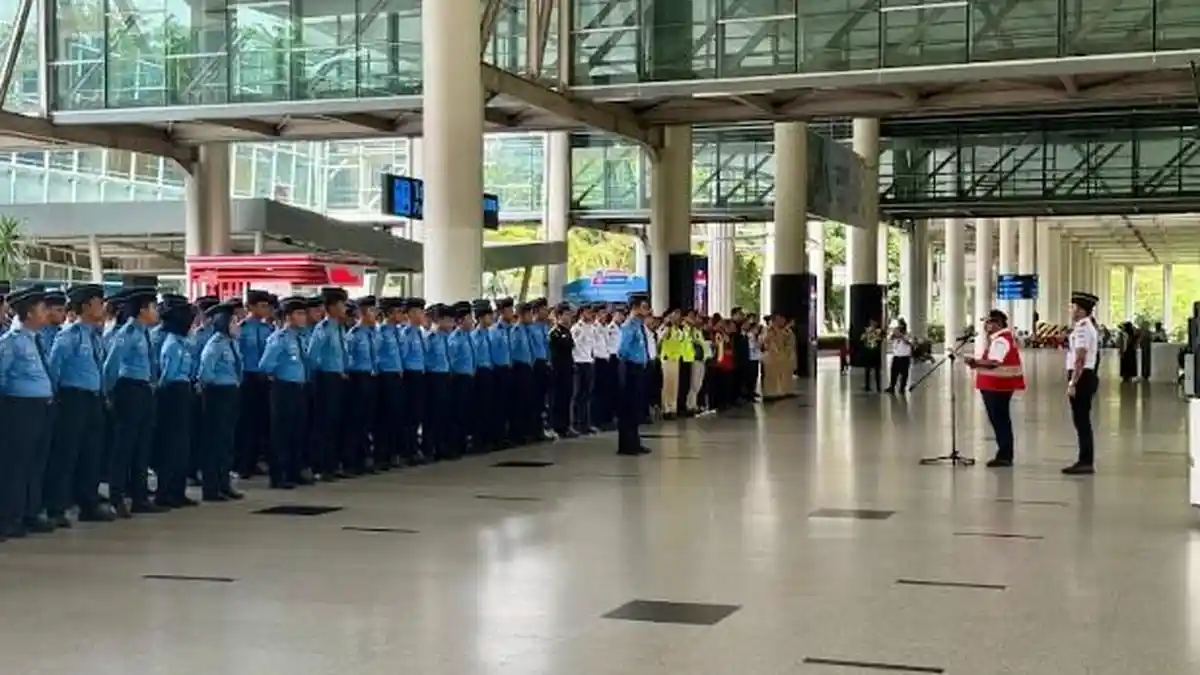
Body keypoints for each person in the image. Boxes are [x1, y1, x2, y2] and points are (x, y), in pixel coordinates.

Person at [44, 284, 114, 525]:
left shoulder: (95, 336)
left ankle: (88, 503)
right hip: (72, 399)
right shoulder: (69, 336)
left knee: (91, 453)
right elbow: (55, 368)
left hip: (93, 399)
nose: (102, 307)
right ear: (85, 306)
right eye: (98, 302)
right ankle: (57, 507)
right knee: (67, 454)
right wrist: (54, 398)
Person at [102, 287, 162, 518]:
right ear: (142, 310)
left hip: (145, 389)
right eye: (153, 307)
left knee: (142, 445)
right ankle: (117, 497)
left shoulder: (145, 332)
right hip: (129, 389)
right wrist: (109, 393)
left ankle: (140, 497)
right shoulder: (126, 334)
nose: (156, 312)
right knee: (124, 447)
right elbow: (111, 366)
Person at [0, 288, 55, 538]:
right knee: (16, 465)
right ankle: (10, 516)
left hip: (41, 407)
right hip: (19, 408)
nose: (47, 313)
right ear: (29, 312)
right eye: (42, 308)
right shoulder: (11, 342)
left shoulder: (37, 339)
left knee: (36, 463)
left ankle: (30, 512)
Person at [258, 296, 310, 489]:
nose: (303, 317)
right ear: (288, 317)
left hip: (299, 387)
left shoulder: (300, 337)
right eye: (299, 313)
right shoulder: (278, 338)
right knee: (281, 432)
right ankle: (278, 475)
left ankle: (294, 471)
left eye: (304, 313)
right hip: (284, 388)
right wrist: (276, 378)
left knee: (297, 431)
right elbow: (265, 365)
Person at [152, 298, 198, 508]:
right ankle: (166, 491)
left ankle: (178, 491)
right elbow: (167, 373)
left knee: (182, 445)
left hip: (184, 390)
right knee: (170, 445)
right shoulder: (171, 343)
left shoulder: (183, 342)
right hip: (172, 393)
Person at [965, 310, 1025, 468]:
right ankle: (1004, 453)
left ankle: (1004, 455)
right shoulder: (1003, 338)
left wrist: (975, 362)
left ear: (998, 324)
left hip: (997, 386)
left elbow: (994, 362)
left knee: (1000, 420)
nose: (986, 326)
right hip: (998, 385)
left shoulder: (1000, 341)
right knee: (1001, 420)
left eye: (989, 322)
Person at [197, 301, 244, 501]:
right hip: (217, 393)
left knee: (226, 441)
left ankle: (224, 483)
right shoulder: (215, 344)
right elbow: (205, 371)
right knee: (214, 442)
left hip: (231, 392)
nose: (237, 325)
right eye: (233, 321)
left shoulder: (230, 343)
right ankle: (211, 487)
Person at [307, 287, 349, 480]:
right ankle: (321, 466)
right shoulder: (322, 329)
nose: (344, 308)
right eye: (341, 304)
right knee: (324, 423)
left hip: (338, 378)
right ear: (330, 307)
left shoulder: (340, 328)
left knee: (336, 422)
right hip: (325, 379)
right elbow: (313, 356)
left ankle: (332, 464)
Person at [235, 290, 274, 479]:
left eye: (267, 306)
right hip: (247, 377)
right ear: (249, 307)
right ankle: (243, 464)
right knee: (246, 422)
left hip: (264, 378)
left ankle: (255, 460)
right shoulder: (242, 329)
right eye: (261, 305)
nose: (265, 309)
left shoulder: (268, 330)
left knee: (261, 421)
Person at [1064, 291, 1101, 475]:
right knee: (1081, 420)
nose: (1071, 310)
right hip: (1086, 375)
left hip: (1082, 377)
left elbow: (1080, 358)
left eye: (1073, 307)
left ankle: (1085, 461)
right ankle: (1084, 459)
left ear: (1080, 310)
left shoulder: (1082, 329)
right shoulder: (1086, 327)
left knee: (1082, 421)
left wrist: (1072, 382)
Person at [343, 295, 380, 474]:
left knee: (368, 419)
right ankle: (353, 460)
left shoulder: (373, 334)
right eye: (372, 311)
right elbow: (347, 358)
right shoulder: (354, 335)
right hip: (358, 378)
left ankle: (365, 457)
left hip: (372, 377)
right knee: (356, 421)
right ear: (362, 313)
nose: (375, 315)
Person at [616, 294, 651, 456]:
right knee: (628, 408)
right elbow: (622, 349)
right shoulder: (629, 325)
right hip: (631, 369)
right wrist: (630, 363)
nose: (647, 310)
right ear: (635, 308)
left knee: (636, 407)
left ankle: (635, 442)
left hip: (639, 369)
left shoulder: (639, 325)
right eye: (644, 307)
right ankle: (626, 444)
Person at [374, 297, 406, 468]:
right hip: (386, 377)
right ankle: (382, 455)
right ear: (389, 314)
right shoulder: (382, 332)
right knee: (386, 417)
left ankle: (394, 452)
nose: (401, 314)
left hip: (397, 376)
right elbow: (376, 354)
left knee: (397, 416)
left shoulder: (398, 331)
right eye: (398, 311)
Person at [446, 301, 477, 459]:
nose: (472, 321)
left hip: (469, 378)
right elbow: (451, 361)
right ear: (460, 321)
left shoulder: (468, 337)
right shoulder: (454, 338)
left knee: (467, 412)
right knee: (457, 413)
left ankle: (464, 442)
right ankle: (455, 445)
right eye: (468, 318)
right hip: (459, 379)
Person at [399, 298, 427, 464]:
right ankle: (408, 450)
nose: (421, 315)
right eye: (417, 312)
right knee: (409, 414)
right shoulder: (406, 334)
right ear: (409, 314)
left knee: (417, 413)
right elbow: (402, 356)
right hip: (410, 375)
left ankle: (414, 448)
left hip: (420, 375)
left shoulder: (420, 333)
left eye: (421, 312)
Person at [423, 303, 453, 460]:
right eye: (448, 320)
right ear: (439, 320)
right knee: (433, 414)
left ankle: (443, 446)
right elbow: (426, 360)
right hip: (434, 377)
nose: (451, 324)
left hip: (446, 376)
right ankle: (430, 448)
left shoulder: (447, 337)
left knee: (444, 414)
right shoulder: (431, 338)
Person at [470, 300, 495, 453]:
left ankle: (487, 438)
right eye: (488, 316)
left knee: (489, 406)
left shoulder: (489, 334)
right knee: (479, 407)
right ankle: (478, 440)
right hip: (479, 373)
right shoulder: (475, 336)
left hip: (489, 372)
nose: (491, 319)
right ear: (480, 318)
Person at [489, 298, 514, 448]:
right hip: (498, 370)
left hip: (509, 369)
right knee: (498, 405)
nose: (511, 313)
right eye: (508, 310)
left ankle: (507, 434)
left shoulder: (511, 329)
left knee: (508, 404)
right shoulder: (495, 330)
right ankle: (497, 436)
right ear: (500, 312)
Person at [548, 303, 575, 437]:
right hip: (558, 370)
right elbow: (554, 353)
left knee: (567, 397)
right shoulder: (555, 332)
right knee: (557, 399)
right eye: (566, 314)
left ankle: (566, 426)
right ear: (559, 316)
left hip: (568, 369)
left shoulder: (567, 331)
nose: (569, 317)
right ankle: (557, 426)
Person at [570, 303, 597, 435]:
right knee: (578, 395)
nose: (590, 314)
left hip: (588, 362)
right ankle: (577, 423)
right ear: (582, 313)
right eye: (587, 312)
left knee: (587, 394)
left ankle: (586, 423)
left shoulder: (592, 328)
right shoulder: (576, 328)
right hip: (579, 362)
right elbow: (574, 346)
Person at [658, 309, 686, 419]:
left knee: (674, 385)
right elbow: (661, 338)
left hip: (675, 359)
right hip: (666, 358)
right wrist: (666, 326)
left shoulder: (677, 329)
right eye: (675, 315)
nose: (677, 318)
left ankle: (673, 408)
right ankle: (666, 409)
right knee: (667, 385)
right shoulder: (665, 328)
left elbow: (681, 339)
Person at [885, 318, 914, 395]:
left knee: (904, 374)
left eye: (901, 324)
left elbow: (909, 342)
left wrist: (901, 336)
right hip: (896, 356)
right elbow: (889, 339)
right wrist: (893, 334)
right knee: (894, 372)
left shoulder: (908, 334)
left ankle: (902, 387)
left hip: (905, 357)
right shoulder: (895, 334)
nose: (899, 326)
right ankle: (892, 386)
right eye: (899, 325)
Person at [861, 319, 884, 392]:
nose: (872, 325)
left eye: (874, 323)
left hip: (876, 353)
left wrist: (874, 333)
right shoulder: (867, 331)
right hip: (868, 352)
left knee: (877, 371)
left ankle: (878, 387)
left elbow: (880, 339)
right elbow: (861, 339)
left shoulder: (879, 331)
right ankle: (867, 386)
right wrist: (867, 333)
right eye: (871, 323)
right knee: (867, 370)